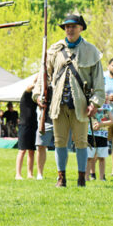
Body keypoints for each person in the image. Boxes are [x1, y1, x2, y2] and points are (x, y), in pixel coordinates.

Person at [33, 14, 105, 188]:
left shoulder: (91, 51)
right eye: (67, 27)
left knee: (81, 141)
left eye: (73, 26)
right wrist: (38, 95)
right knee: (59, 141)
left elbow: (99, 82)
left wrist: (94, 103)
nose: (70, 29)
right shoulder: (54, 50)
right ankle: (61, 177)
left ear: (81, 28)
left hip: (80, 105)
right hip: (58, 104)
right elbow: (44, 76)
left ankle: (81, 177)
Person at [16, 81, 38, 180]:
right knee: (22, 150)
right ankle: (18, 174)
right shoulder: (25, 94)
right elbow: (30, 86)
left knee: (31, 151)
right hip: (24, 126)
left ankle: (30, 173)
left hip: (33, 125)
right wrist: (38, 81)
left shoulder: (35, 99)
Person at [87, 103, 113, 181]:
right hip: (90, 134)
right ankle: (86, 177)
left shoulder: (106, 107)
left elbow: (112, 121)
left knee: (101, 157)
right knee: (89, 157)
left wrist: (101, 124)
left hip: (102, 135)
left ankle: (102, 177)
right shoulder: (89, 105)